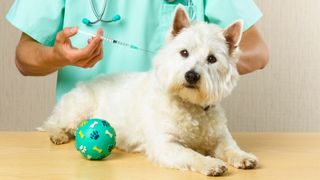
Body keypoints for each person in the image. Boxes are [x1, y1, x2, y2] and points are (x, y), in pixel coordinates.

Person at [6, 0, 269, 101]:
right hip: (88, 133)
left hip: (176, 135)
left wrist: (211, 64)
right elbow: (24, 57)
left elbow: (257, 51)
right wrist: (55, 56)